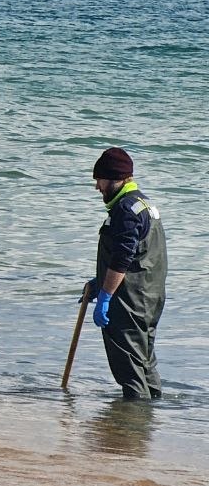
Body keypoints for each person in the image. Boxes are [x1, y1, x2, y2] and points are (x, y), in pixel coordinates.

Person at [79, 147, 166, 400]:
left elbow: (123, 258)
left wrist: (105, 295)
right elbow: (140, 256)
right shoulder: (143, 204)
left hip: (128, 302)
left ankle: (131, 422)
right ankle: (151, 417)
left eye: (100, 179)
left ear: (115, 178)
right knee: (144, 364)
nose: (97, 186)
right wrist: (100, 281)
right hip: (149, 299)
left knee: (129, 371)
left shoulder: (125, 211)